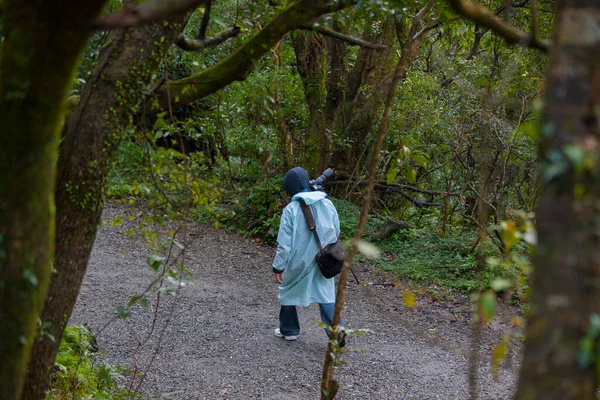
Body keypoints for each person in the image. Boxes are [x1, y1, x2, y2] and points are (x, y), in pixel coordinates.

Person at [272, 167, 344, 346]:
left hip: (298, 262)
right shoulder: (327, 203)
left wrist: (278, 267)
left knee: (287, 289)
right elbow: (336, 231)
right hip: (324, 259)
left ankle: (289, 329)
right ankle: (336, 332)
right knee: (325, 294)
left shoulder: (291, 209)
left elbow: (284, 244)